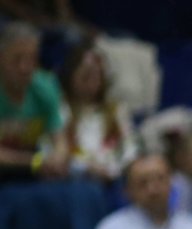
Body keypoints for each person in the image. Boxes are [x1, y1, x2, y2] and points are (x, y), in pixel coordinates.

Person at [57, 37, 134, 184]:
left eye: (98, 75)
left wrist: (114, 170)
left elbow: (130, 149)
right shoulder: (59, 110)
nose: (93, 81)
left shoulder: (116, 111)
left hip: (114, 177)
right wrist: (85, 167)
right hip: (74, 181)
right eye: (86, 75)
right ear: (71, 75)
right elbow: (51, 153)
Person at [0, 21, 68, 180]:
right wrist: (35, 161)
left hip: (31, 172)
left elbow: (60, 141)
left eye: (31, 59)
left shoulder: (45, 87)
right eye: (17, 59)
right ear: (1, 58)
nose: (25, 67)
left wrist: (57, 158)